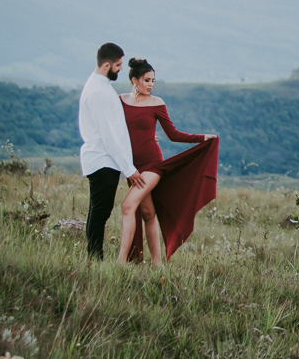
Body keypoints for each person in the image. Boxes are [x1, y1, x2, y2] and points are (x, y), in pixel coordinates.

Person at [116, 58, 219, 264]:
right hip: (131, 166)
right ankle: (157, 264)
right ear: (134, 80)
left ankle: (120, 263)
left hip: (153, 165)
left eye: (153, 80)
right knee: (148, 213)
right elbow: (114, 131)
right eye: (147, 80)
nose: (151, 85)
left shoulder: (157, 103)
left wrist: (201, 138)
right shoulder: (120, 101)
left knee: (128, 206)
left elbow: (172, 134)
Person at [79, 43, 146, 260]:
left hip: (102, 160)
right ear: (106, 64)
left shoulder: (100, 86)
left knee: (98, 210)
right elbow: (109, 136)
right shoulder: (98, 91)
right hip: (102, 160)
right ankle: (94, 258)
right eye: (117, 65)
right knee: (100, 212)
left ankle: (94, 257)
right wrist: (129, 169)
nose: (119, 69)